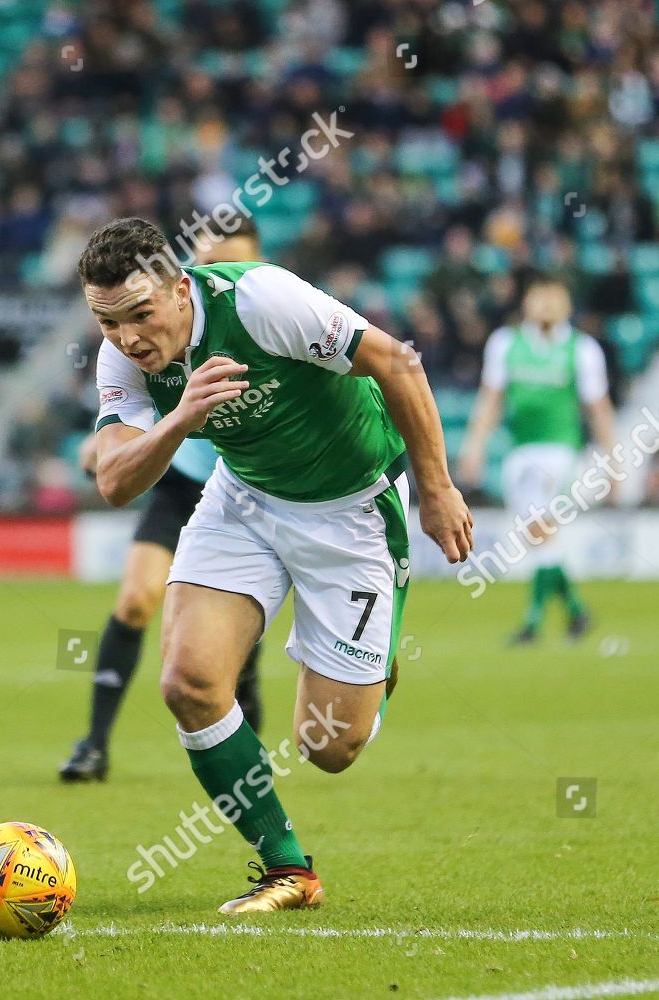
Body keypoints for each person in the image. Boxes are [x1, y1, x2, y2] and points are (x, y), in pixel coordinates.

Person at [80, 217, 472, 913]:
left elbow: (399, 363)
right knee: (189, 681)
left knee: (328, 746)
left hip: (351, 511)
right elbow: (113, 481)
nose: (128, 339)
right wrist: (180, 419)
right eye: (107, 323)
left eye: (139, 315)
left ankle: (373, 672)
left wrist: (436, 489)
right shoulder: (121, 360)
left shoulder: (263, 301)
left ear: (179, 290)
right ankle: (288, 870)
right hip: (245, 499)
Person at [60, 219, 267, 783]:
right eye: (209, 262)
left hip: (254, 486)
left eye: (234, 262)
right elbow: (130, 408)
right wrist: (100, 444)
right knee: (134, 600)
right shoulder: (154, 326)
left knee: (235, 626)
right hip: (180, 483)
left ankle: (244, 711)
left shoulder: (262, 316)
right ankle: (95, 743)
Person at [457, 276, 616, 643]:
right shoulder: (505, 343)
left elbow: (598, 408)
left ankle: (532, 622)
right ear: (525, 303)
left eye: (553, 298)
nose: (545, 305)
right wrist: (475, 446)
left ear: (567, 306)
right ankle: (576, 611)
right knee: (539, 536)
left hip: (559, 450)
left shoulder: (582, 348)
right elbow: (490, 398)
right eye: (538, 297)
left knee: (541, 529)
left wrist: (613, 458)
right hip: (519, 451)